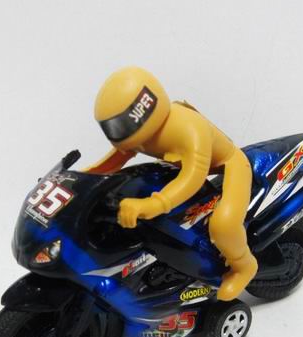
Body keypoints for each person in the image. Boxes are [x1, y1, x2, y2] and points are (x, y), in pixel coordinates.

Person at [86, 66, 257, 301]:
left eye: (122, 124)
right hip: (184, 165)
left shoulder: (188, 129)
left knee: (223, 225)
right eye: (113, 127)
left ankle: (244, 266)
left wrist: (153, 205)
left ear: (142, 109)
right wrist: (76, 179)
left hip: (230, 164)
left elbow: (193, 177)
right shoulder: (138, 135)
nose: (118, 132)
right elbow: (114, 160)